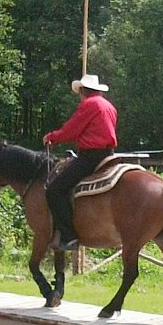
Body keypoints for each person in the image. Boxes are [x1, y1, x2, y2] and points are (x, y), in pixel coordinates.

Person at [43, 74, 118, 251]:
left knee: (55, 189)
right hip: (109, 154)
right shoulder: (109, 106)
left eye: (80, 92)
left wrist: (52, 137)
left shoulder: (89, 104)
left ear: (83, 91)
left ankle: (69, 237)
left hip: (91, 157)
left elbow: (72, 129)